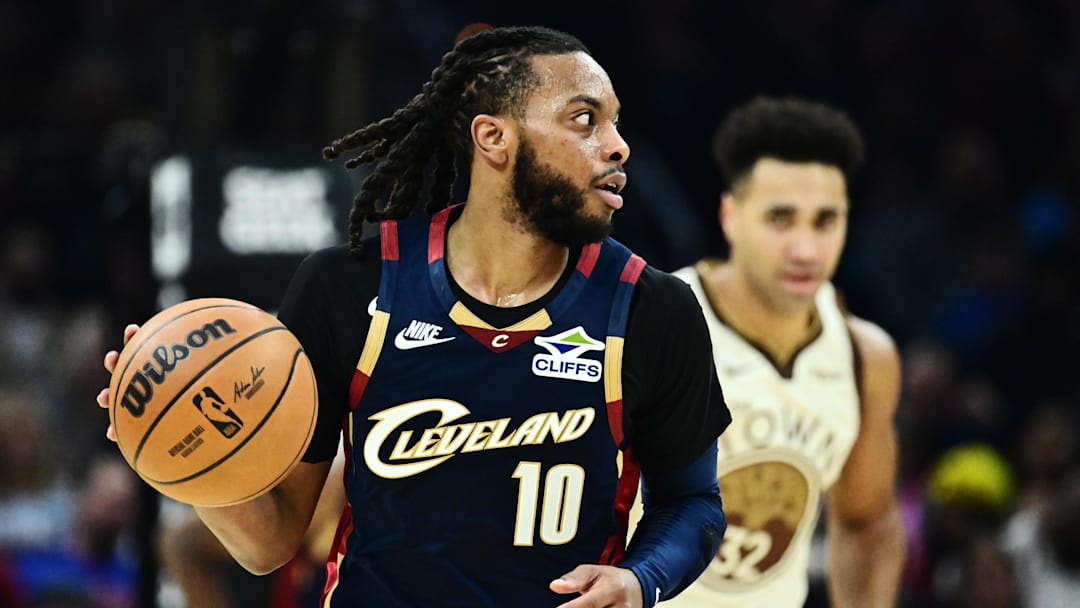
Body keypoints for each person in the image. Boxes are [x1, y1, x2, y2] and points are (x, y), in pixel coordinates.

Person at [96, 25, 731, 607]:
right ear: (493, 138)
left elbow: (694, 503)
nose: (617, 146)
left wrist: (639, 578)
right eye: (585, 119)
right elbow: (268, 545)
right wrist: (179, 444)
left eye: (615, 123)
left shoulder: (651, 309)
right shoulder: (348, 289)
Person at [652, 96, 905, 607]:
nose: (806, 248)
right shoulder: (650, 322)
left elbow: (867, 523)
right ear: (730, 216)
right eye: (781, 219)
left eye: (824, 221)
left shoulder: (863, 357)